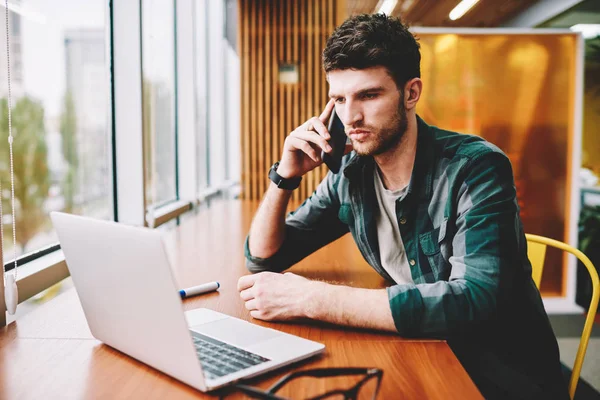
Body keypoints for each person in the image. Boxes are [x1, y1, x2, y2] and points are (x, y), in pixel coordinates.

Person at [239, 13, 568, 399]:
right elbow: (264, 257)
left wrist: (313, 298)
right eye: (339, 99)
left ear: (411, 93)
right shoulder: (351, 174)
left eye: (369, 95)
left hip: (499, 375)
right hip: (426, 351)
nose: (351, 116)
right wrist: (285, 177)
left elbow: (473, 301)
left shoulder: (476, 167)